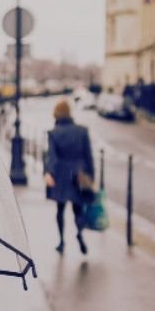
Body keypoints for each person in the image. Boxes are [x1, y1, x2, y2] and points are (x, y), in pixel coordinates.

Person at [43, 98, 95, 254]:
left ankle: (61, 241)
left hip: (61, 174)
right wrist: (91, 176)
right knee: (78, 209)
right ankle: (79, 234)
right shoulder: (82, 130)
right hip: (79, 174)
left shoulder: (54, 133)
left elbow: (52, 156)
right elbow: (89, 156)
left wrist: (48, 172)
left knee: (60, 209)